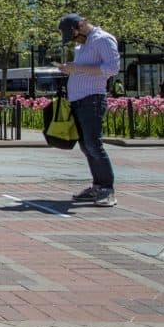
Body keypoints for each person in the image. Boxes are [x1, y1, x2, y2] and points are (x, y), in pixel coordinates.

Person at [56, 13, 120, 207]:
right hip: (79, 101)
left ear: (81, 25)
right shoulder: (82, 45)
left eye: (74, 35)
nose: (74, 40)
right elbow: (82, 68)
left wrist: (77, 69)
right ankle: (98, 186)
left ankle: (107, 189)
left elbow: (112, 68)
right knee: (86, 146)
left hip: (92, 99)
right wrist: (71, 68)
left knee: (94, 144)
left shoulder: (103, 40)